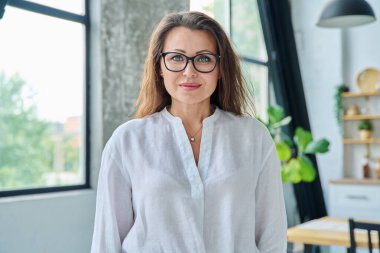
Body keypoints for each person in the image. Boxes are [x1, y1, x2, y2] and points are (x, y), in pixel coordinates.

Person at [91, 11, 287, 253]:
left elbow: (272, 236)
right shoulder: (127, 141)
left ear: (220, 68)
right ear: (159, 67)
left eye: (204, 59)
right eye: (176, 58)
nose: (189, 71)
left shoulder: (253, 137)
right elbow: (107, 240)